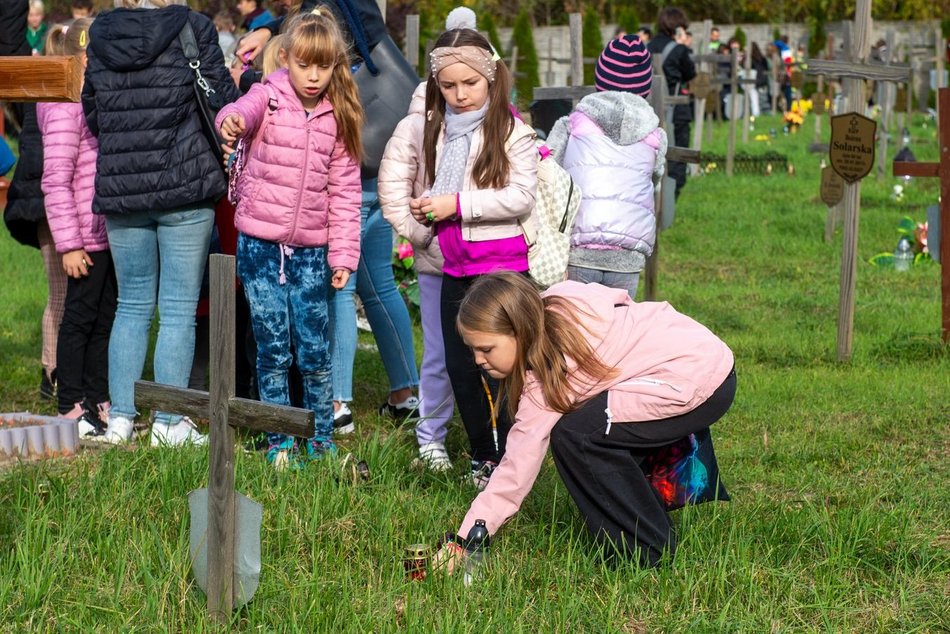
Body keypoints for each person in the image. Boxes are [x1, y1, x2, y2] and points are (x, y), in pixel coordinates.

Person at [435, 272, 735, 569]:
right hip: (706, 358)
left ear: (520, 330)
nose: (477, 359)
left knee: (578, 435)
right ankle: (648, 529)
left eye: (486, 349)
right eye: (472, 349)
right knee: (587, 428)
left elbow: (516, 468)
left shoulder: (549, 376)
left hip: (695, 380)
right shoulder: (562, 300)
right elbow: (620, 300)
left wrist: (466, 539)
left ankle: (646, 554)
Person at [83, 0, 241, 446]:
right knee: (177, 311)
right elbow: (221, 101)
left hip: (123, 190)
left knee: (131, 307)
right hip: (185, 187)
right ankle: (169, 423)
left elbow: (93, 113)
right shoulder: (192, 26)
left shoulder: (101, 35)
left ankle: (120, 419)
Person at [215, 10, 362, 469]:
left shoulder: (338, 116)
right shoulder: (269, 96)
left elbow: (345, 192)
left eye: (323, 66)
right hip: (259, 245)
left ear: (335, 65)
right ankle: (279, 438)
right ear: (286, 60)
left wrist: (342, 254)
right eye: (304, 65)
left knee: (314, 348)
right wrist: (233, 120)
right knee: (272, 344)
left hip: (311, 251)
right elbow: (239, 109)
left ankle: (318, 438)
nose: (313, 76)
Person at [406, 28, 537, 487]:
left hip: (501, 269)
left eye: (470, 84)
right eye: (448, 86)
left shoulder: (511, 130)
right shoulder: (437, 131)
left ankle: (519, 454)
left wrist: (457, 205)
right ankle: (485, 454)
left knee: (507, 369)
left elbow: (521, 196)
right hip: (455, 267)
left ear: (490, 79)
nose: (460, 95)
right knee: (463, 368)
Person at [38, 18, 116, 440]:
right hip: (81, 237)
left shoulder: (95, 101)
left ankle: (96, 396)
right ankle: (70, 402)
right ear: (75, 61)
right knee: (79, 319)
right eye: (93, 59)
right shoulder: (66, 109)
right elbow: (56, 180)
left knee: (104, 318)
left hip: (105, 234)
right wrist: (68, 244)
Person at [545, 35, 666, 300]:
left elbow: (548, 172)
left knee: (576, 327)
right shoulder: (655, 136)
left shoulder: (572, 125)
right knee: (619, 327)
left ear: (599, 82)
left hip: (578, 246)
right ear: (645, 88)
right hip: (628, 251)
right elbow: (653, 179)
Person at [3, 0, 65, 404]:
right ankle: (54, 371)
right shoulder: (39, 91)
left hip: (52, 201)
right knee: (61, 293)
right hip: (50, 201)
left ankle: (59, 371)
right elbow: (10, 44)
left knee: (63, 293)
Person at [647, 7, 695, 198]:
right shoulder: (679, 49)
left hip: (650, 110)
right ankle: (670, 199)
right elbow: (691, 73)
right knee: (676, 155)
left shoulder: (647, 47)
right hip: (676, 109)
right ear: (678, 28)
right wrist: (681, 44)